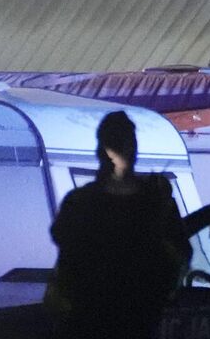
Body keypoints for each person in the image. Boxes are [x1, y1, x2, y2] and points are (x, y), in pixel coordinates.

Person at [47, 112, 190, 339]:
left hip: (107, 316)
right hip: (116, 316)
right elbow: (179, 256)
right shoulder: (153, 202)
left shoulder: (82, 201)